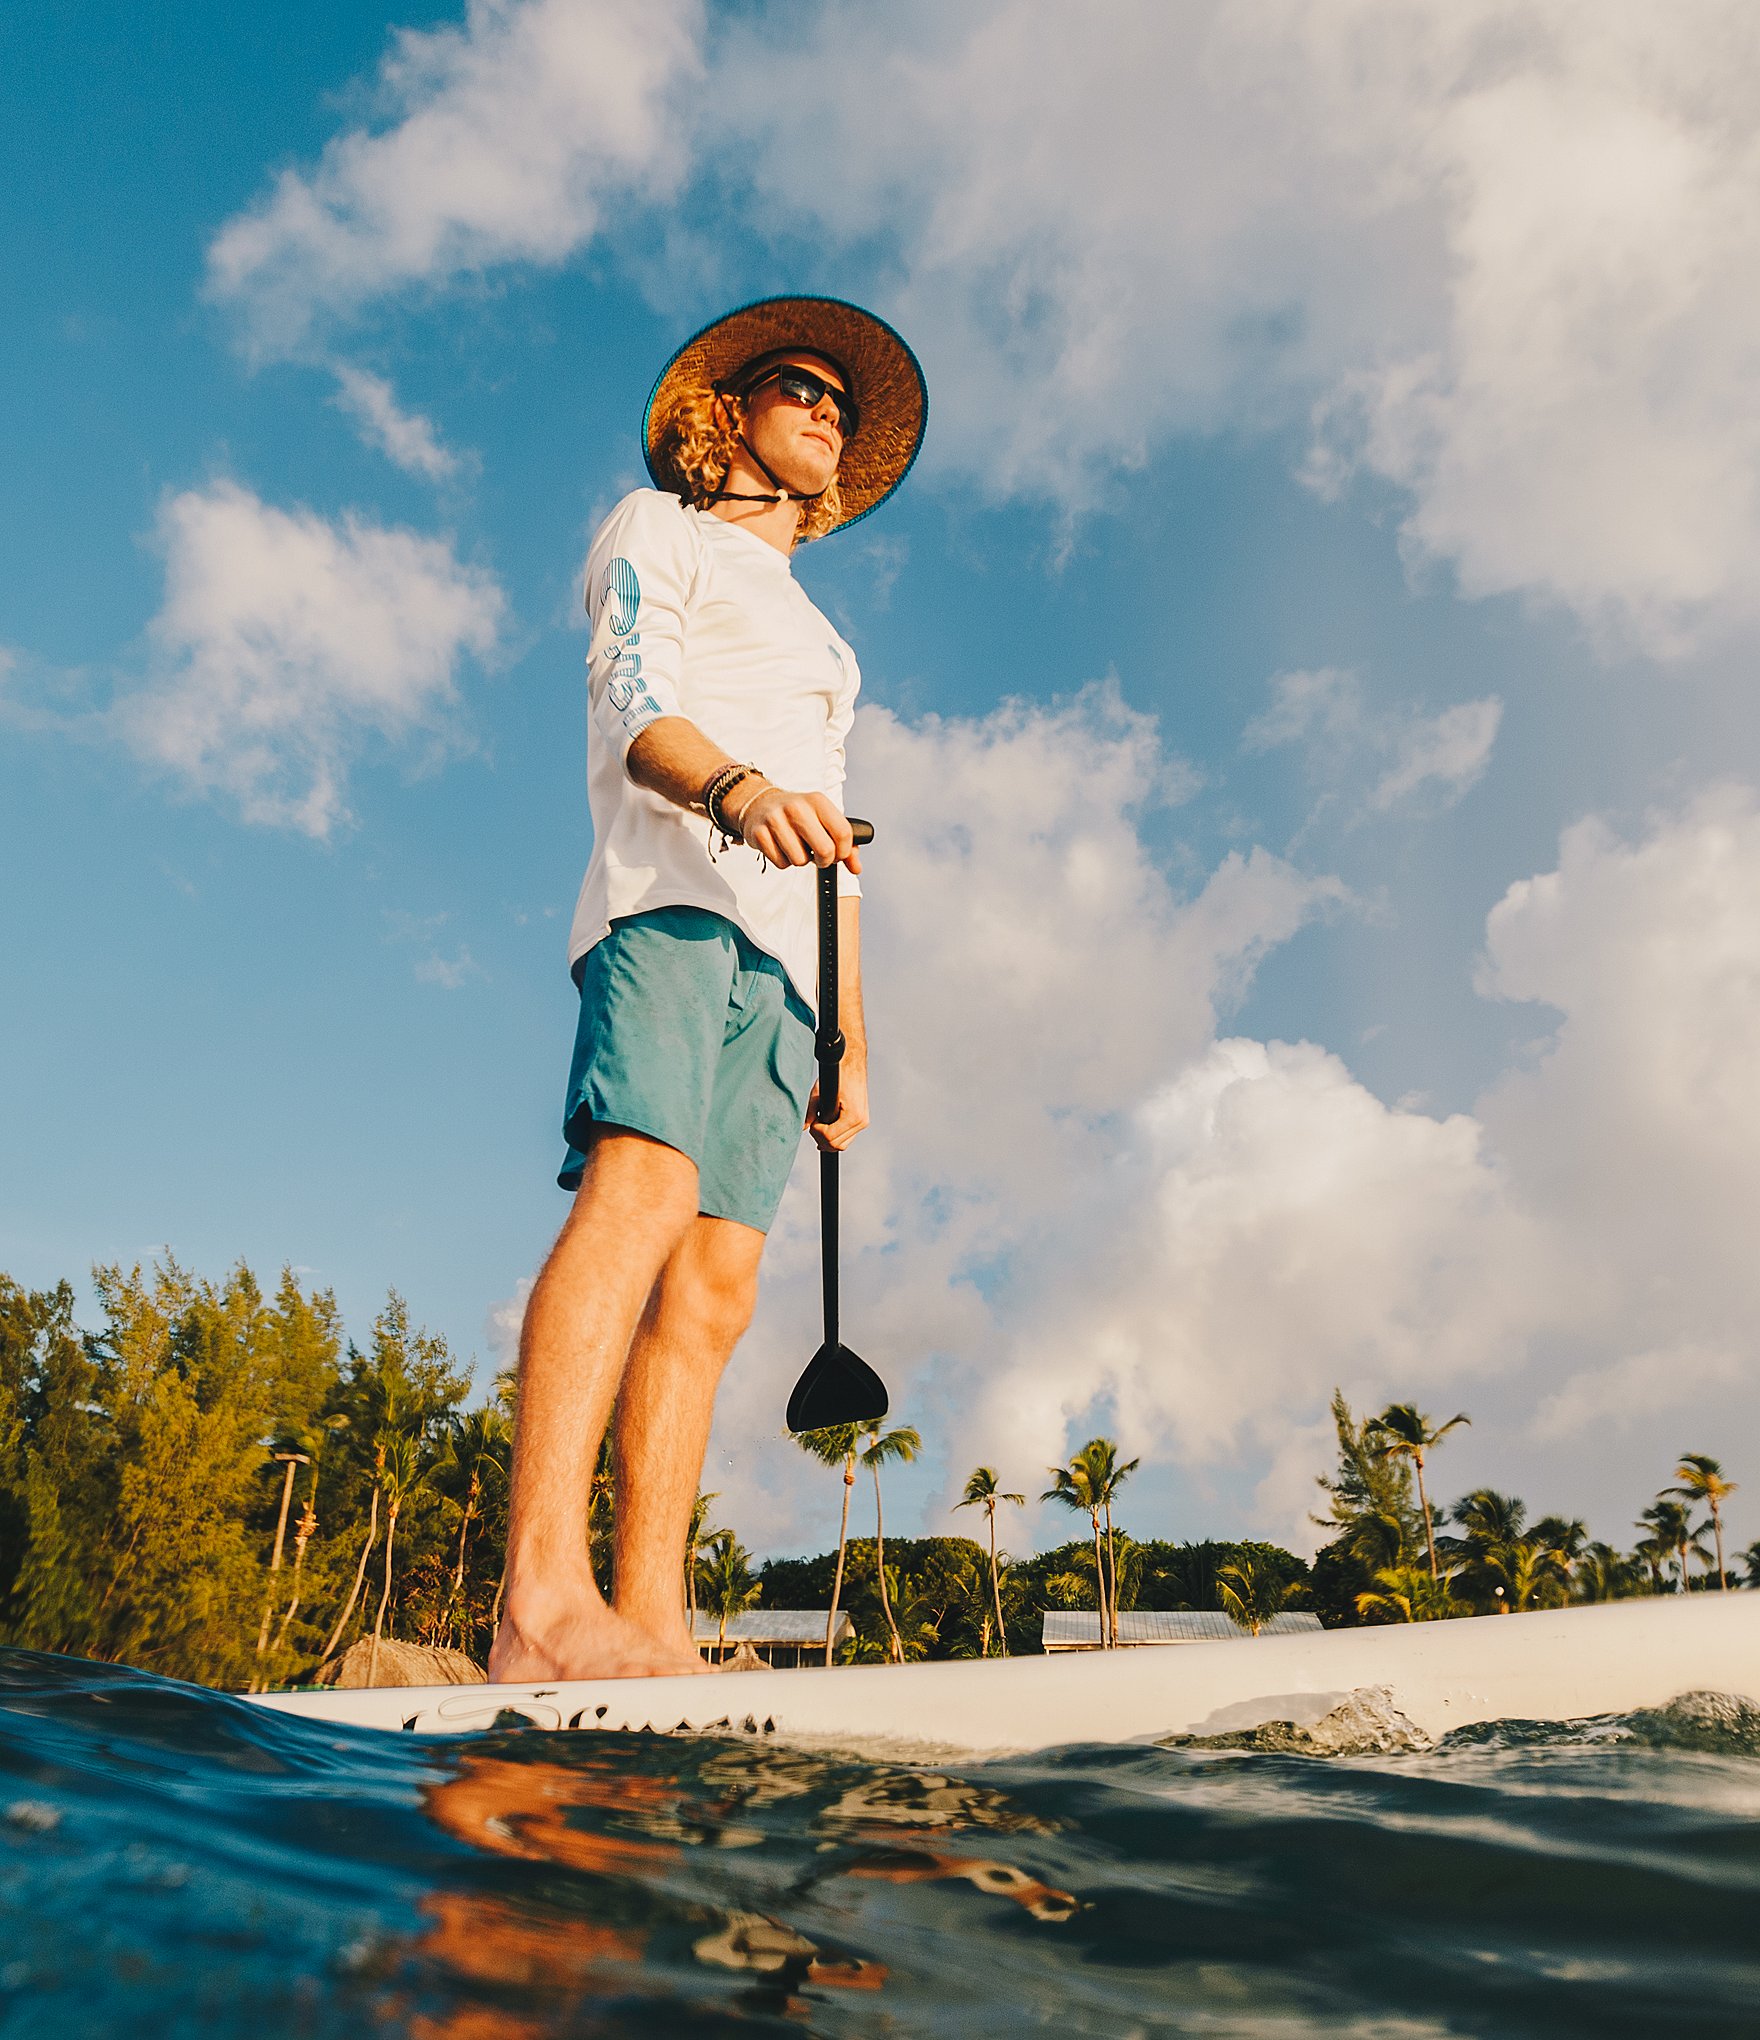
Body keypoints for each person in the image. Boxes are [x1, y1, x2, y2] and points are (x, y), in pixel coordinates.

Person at [490, 297, 928, 1682]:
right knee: (645, 1194)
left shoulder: (828, 644)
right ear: (726, 412)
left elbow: (839, 848)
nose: (827, 412)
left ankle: (651, 1622)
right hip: (670, 908)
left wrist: (850, 1036)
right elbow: (632, 707)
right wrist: (737, 791)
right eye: (798, 386)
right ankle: (537, 1602)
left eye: (843, 407)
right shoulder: (653, 529)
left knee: (721, 1289)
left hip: (787, 976)